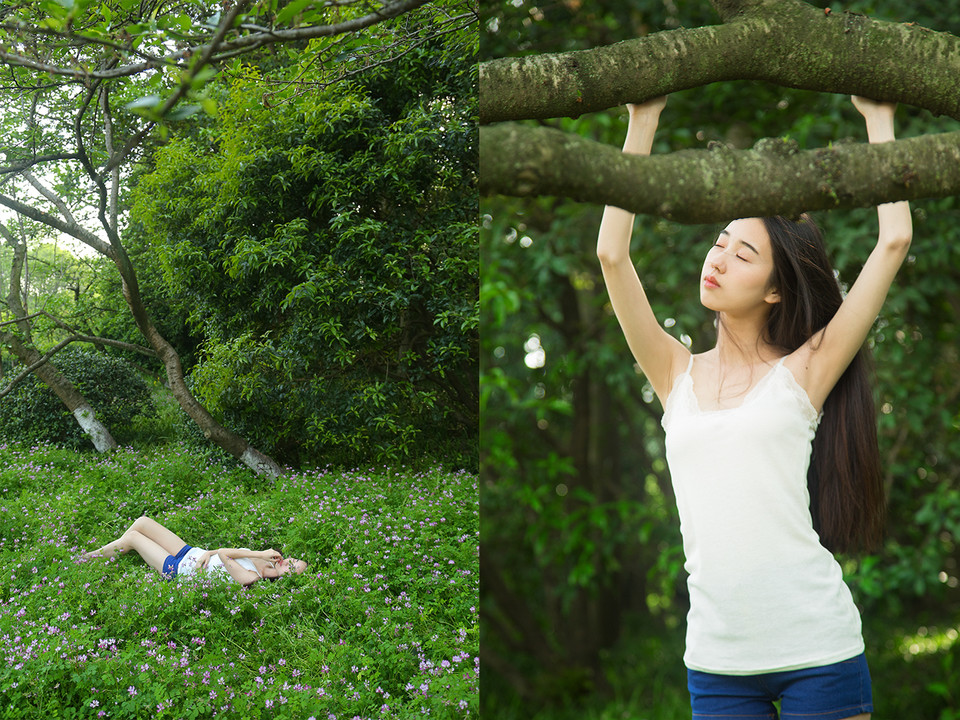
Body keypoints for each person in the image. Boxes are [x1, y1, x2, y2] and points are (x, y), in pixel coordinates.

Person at [596, 95, 911, 720]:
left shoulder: (805, 373)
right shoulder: (673, 374)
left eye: (743, 255)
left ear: (774, 288)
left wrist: (879, 119)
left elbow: (894, 239)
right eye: (719, 243)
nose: (718, 258)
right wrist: (642, 121)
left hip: (817, 651)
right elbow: (610, 256)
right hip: (717, 665)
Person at [81, 515, 307, 586]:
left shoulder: (250, 579)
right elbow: (222, 552)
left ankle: (86, 560)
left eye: (293, 567)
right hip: (191, 552)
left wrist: (259, 553)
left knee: (132, 537)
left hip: (178, 569)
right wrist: (208, 553)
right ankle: (112, 551)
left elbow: (226, 554)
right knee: (141, 523)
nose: (290, 560)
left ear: (287, 579)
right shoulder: (265, 562)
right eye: (294, 559)